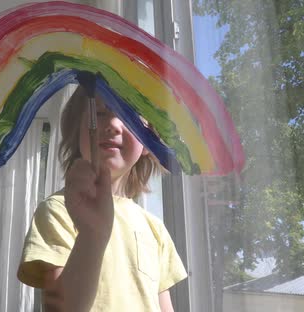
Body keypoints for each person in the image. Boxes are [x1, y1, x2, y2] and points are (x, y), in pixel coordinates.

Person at [17, 85, 188, 311]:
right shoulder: (58, 211)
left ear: (148, 142)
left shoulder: (155, 228)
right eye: (99, 113)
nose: (113, 125)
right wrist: (92, 234)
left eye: (129, 117)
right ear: (77, 131)